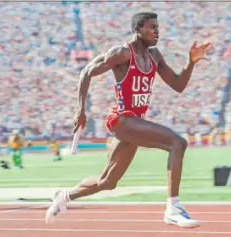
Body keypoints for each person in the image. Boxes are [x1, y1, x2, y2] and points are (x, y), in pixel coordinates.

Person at [45, 12, 212, 228]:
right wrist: (81, 110)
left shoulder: (155, 55)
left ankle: (64, 196)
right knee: (177, 143)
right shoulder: (122, 53)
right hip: (122, 120)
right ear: (137, 30)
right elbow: (87, 71)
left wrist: (191, 62)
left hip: (135, 122)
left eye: (158, 27)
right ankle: (173, 208)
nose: (157, 31)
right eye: (152, 27)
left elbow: (178, 85)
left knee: (108, 182)